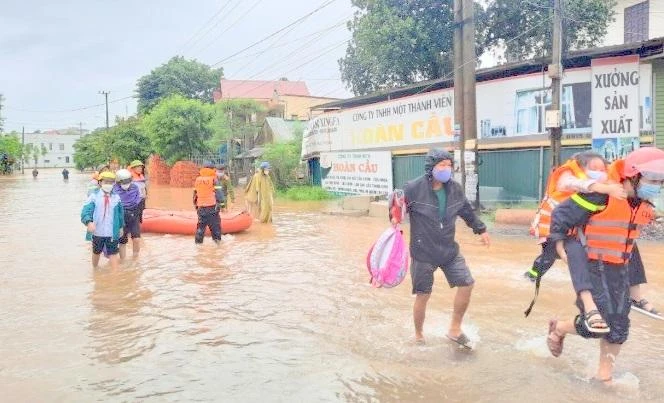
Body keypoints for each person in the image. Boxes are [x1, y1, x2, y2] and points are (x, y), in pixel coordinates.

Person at [546, 147, 664, 384]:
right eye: (652, 179)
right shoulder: (601, 195)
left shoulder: (642, 204)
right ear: (633, 175)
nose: (657, 185)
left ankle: (604, 376)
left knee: (619, 327)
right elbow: (560, 217)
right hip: (591, 266)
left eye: (660, 181)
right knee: (596, 325)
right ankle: (558, 328)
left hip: (620, 269)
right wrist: (560, 248)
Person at [524, 151, 659, 321]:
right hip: (557, 226)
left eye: (602, 168)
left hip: (580, 227)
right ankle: (534, 276)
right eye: (594, 168)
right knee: (553, 255)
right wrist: (604, 188)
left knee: (629, 244)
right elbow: (570, 184)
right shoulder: (569, 173)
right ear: (580, 166)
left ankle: (635, 296)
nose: (600, 171)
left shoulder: (605, 179)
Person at [391, 148, 490, 348]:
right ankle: (418, 335)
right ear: (431, 168)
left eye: (449, 165)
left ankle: (454, 328)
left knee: (467, 283)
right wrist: (394, 219)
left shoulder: (455, 189)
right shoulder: (413, 188)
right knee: (423, 294)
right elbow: (396, 209)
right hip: (423, 252)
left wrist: (481, 230)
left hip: (448, 250)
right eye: (442, 165)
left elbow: (466, 211)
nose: (447, 169)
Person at [81, 171, 125, 271]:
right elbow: (86, 211)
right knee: (96, 252)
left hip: (112, 232)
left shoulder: (116, 197)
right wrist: (88, 222)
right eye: (106, 182)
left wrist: (121, 226)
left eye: (111, 182)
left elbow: (120, 213)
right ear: (100, 183)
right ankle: (95, 270)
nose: (108, 185)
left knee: (113, 253)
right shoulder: (94, 196)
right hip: (97, 231)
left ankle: (115, 276)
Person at [193, 162, 225, 244]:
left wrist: (196, 206)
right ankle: (218, 246)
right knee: (216, 229)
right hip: (212, 208)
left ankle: (198, 245)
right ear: (212, 169)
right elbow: (219, 194)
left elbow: (195, 195)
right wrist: (222, 205)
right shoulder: (214, 179)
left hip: (201, 208)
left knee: (200, 228)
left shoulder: (198, 179)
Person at [114, 169, 142, 259]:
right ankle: (123, 261)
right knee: (122, 241)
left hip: (134, 215)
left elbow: (138, 200)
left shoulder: (135, 188)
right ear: (118, 182)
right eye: (124, 182)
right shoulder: (114, 190)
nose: (126, 184)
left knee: (136, 239)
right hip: (121, 217)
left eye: (128, 181)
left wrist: (139, 215)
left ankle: (136, 259)